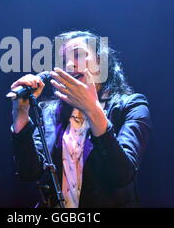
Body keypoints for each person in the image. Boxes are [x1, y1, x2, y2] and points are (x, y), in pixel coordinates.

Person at [10, 30, 152, 207]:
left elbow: (122, 175)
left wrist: (92, 110)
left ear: (100, 63)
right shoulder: (50, 112)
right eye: (63, 61)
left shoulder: (131, 106)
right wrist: (21, 114)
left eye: (78, 54)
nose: (69, 64)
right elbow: (29, 172)